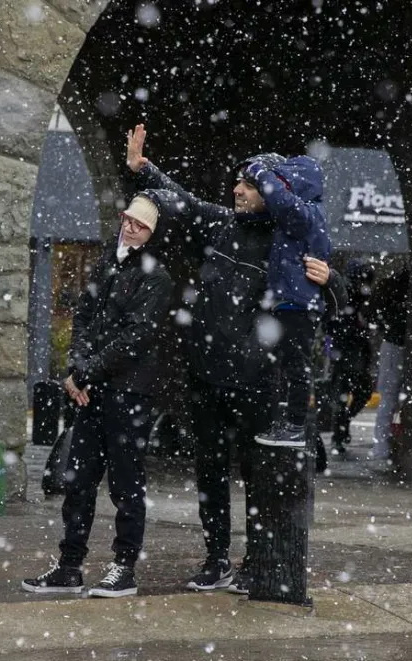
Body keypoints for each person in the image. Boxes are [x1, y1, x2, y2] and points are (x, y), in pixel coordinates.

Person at [124, 125, 335, 594]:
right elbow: (185, 200)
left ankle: (257, 561)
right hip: (206, 372)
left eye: (247, 183)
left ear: (271, 191)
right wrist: (145, 170)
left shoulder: (289, 240)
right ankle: (216, 557)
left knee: (258, 474)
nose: (237, 189)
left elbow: (318, 297)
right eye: (238, 182)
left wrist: (331, 279)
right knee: (210, 472)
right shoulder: (223, 224)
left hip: (256, 380)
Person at [22, 192, 175, 598]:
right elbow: (84, 318)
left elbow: (135, 337)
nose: (130, 227)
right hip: (94, 390)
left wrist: (86, 370)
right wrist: (77, 370)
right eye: (128, 220)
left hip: (129, 393)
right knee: (79, 481)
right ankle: (69, 565)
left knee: (127, 484)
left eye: (139, 225)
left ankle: (123, 567)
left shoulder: (156, 277)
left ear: (151, 233)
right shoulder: (108, 262)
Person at [237, 155, 331, 446]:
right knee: (290, 365)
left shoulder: (304, 214)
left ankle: (295, 426)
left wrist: (262, 173)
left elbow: (282, 201)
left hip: (296, 304)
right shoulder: (299, 216)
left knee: (296, 365)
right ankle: (290, 424)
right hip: (290, 302)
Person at [325, 259, 375, 456]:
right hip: (346, 351)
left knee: (359, 392)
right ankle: (339, 433)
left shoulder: (359, 297)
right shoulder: (345, 295)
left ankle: (342, 427)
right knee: (344, 393)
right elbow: (334, 324)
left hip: (355, 351)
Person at [371, 264, 410, 462]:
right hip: (399, 343)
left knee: (388, 397)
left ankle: (383, 447)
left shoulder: (392, 287)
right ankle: (387, 446)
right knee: (392, 397)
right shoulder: (404, 288)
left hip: (393, 343)